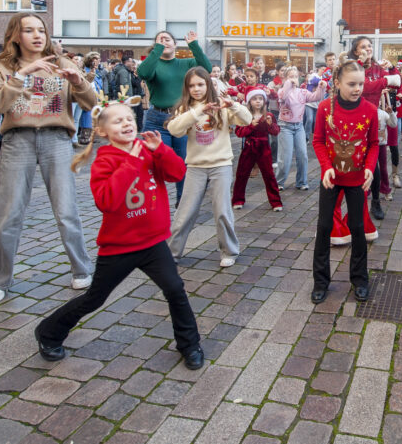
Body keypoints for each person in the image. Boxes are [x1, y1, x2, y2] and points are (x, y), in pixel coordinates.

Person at [34, 102, 204, 370]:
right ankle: (48, 332)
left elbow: (177, 173)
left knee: (175, 289)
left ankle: (189, 344)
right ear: (102, 130)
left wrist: (160, 150)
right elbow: (108, 201)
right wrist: (132, 162)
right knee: (95, 298)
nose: (126, 124)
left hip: (153, 242)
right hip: (119, 247)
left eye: (129, 119)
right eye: (118, 121)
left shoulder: (148, 150)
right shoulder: (104, 160)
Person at [0, 13, 97, 304]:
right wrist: (22, 75)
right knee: (8, 213)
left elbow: (93, 104)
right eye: (28, 30)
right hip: (17, 139)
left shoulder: (63, 63)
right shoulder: (0, 66)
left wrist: (78, 82)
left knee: (66, 209)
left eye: (41, 30)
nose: (37, 35)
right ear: (15, 35)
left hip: (56, 138)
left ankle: (82, 269)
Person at [166, 67, 252, 267]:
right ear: (187, 88)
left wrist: (233, 106)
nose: (196, 89)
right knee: (185, 212)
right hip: (195, 167)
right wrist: (196, 112)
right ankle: (172, 254)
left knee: (222, 211)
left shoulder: (221, 105)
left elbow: (247, 120)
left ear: (208, 84)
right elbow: (174, 130)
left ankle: (229, 251)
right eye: (192, 85)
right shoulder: (186, 109)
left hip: (221, 165)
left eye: (200, 84)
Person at [311, 60, 379, 304]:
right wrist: (326, 167)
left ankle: (360, 280)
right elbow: (318, 140)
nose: (357, 88)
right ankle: (320, 282)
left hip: (357, 180)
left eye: (361, 83)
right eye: (352, 84)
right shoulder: (324, 109)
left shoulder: (370, 110)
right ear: (337, 83)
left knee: (358, 229)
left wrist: (370, 169)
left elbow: (373, 144)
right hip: (331, 179)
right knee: (324, 227)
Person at [136, 30, 212, 203]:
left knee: (184, 164)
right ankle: (153, 203)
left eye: (167, 39)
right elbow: (143, 73)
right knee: (155, 164)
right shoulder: (153, 65)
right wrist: (158, 49)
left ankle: (183, 205)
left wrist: (193, 44)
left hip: (182, 117)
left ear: (175, 44)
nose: (164, 42)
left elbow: (206, 69)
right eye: (160, 40)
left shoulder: (185, 64)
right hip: (157, 119)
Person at [347, 37, 400, 218]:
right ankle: (356, 199)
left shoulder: (378, 67)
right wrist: (386, 81)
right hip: (353, 119)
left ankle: (376, 202)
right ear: (355, 51)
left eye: (370, 45)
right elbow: (364, 87)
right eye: (363, 46)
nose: (368, 49)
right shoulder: (353, 66)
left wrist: (391, 68)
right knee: (355, 162)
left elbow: (397, 81)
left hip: (372, 119)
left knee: (375, 164)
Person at [276, 66, 326, 190]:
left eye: (295, 76)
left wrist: (321, 86)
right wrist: (288, 83)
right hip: (285, 126)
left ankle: (302, 182)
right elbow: (282, 97)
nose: (293, 79)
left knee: (303, 155)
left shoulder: (302, 92)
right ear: (285, 78)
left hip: (299, 127)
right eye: (290, 76)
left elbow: (316, 97)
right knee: (285, 158)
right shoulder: (282, 90)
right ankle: (279, 182)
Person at [232, 89, 283, 211]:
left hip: (264, 147)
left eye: (260, 99)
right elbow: (239, 132)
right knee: (242, 174)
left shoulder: (269, 115)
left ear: (264, 101)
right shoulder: (245, 116)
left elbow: (275, 132)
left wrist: (270, 125)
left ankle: (276, 202)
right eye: (255, 99)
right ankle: (238, 199)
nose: (258, 102)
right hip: (249, 146)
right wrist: (250, 126)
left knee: (269, 175)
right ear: (249, 101)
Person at [372, 90, 398, 208]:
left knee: (383, 168)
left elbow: (393, 124)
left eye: (376, 100)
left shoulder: (383, 114)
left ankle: (386, 189)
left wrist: (391, 113)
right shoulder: (366, 113)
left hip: (381, 145)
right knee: (370, 167)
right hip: (369, 145)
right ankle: (368, 189)